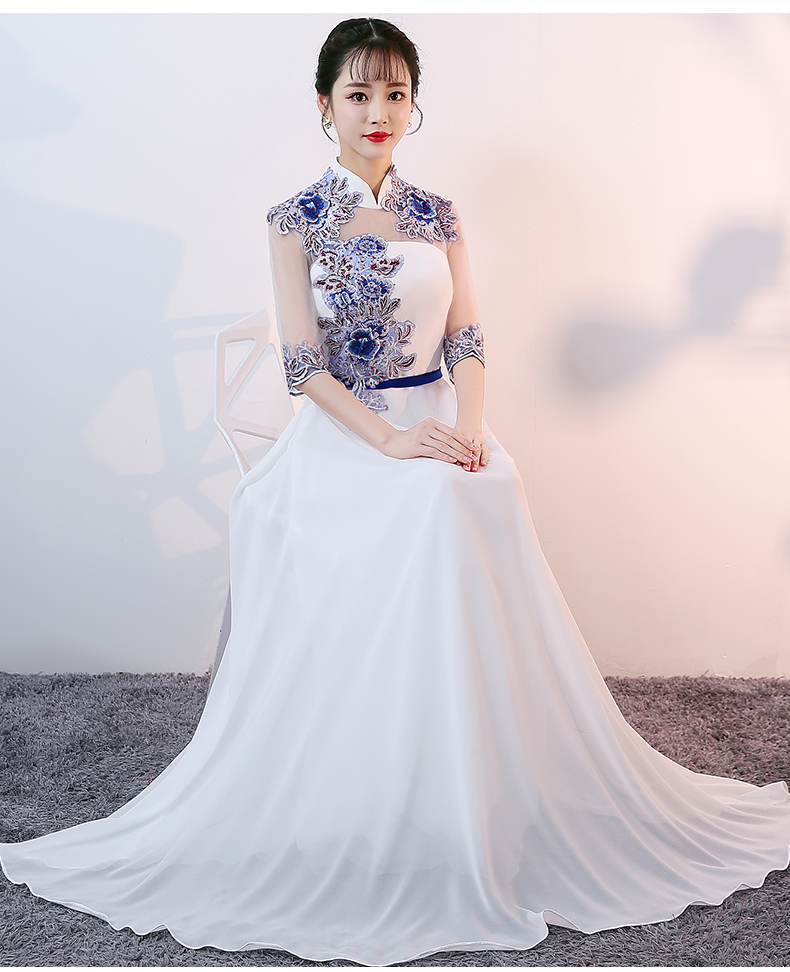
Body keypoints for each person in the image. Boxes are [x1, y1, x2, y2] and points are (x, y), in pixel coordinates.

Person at [2, 17, 790, 967]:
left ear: (414, 103)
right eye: (359, 94)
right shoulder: (294, 218)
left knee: (475, 493)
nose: (378, 112)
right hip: (344, 439)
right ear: (324, 104)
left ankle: (479, 784)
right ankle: (396, 783)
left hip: (438, 420)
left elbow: (467, 336)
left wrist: (473, 427)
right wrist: (391, 441)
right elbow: (302, 365)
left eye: (396, 93)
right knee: (430, 510)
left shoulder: (439, 214)